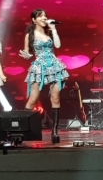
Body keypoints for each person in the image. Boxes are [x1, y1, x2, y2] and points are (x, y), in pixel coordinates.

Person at [18, 9, 69, 144]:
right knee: (33, 99)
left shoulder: (49, 32)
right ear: (34, 20)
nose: (44, 18)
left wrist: (53, 29)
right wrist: (27, 56)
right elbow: (27, 53)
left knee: (55, 97)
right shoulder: (30, 35)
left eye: (45, 16)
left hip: (54, 66)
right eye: (41, 16)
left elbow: (57, 45)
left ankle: (54, 132)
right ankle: (22, 129)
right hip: (39, 67)